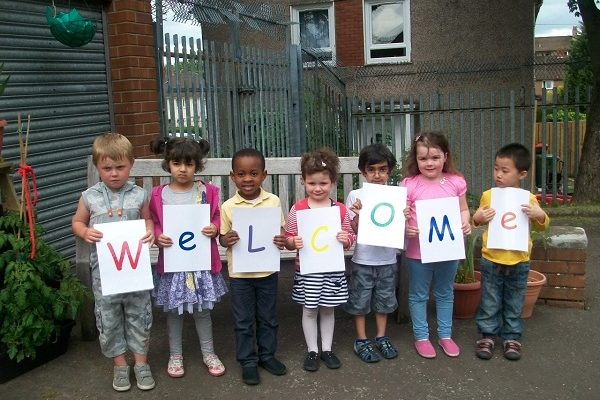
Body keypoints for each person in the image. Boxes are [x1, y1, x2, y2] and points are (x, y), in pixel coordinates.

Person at [71, 133, 156, 392]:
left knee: (138, 314)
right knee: (108, 318)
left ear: (131, 164)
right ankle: (120, 365)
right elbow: (77, 222)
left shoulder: (140, 195)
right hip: (104, 273)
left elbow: (148, 220)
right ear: (98, 167)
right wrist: (84, 232)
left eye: (120, 167)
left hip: (134, 271)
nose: (114, 174)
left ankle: (141, 363)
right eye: (107, 168)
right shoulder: (89, 197)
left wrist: (150, 231)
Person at [148, 137, 228, 379]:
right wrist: (158, 235)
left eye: (189, 164)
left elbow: (215, 218)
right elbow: (153, 222)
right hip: (174, 265)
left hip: (199, 264)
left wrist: (214, 228)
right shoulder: (158, 195)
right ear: (168, 165)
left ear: (197, 165)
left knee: (202, 311)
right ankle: (175, 355)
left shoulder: (208, 192)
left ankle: (209, 352)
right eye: (176, 163)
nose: (182, 169)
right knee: (174, 312)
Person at [473, 143, 549, 361]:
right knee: (489, 299)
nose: (498, 174)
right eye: (496, 168)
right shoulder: (489, 195)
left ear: (522, 174)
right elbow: (477, 221)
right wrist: (478, 218)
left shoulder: (528, 198)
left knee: (515, 301)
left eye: (505, 171)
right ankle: (487, 336)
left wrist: (539, 213)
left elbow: (543, 225)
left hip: (519, 260)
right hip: (491, 259)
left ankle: (512, 337)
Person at [219, 148, 288, 386]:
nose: (247, 179)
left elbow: (279, 231)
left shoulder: (273, 201)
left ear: (264, 175)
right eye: (241, 174)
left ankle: (267, 356)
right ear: (233, 177)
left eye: (254, 173)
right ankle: (248, 361)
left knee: (268, 317)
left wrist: (280, 238)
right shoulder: (228, 206)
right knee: (243, 320)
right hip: (240, 274)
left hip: (267, 271)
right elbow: (222, 236)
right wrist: (225, 239)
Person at [285, 148, 356, 372]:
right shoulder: (298, 209)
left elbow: (350, 238)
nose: (317, 188)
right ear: (304, 182)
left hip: (332, 269)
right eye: (312, 183)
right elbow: (288, 237)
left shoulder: (340, 209)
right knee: (309, 309)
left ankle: (327, 349)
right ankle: (312, 350)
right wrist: (292, 242)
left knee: (328, 309)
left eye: (323, 183)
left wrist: (346, 239)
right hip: (307, 270)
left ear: (332, 182)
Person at [403, 131, 471, 359]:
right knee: (419, 294)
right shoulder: (409, 185)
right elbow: (401, 216)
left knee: (445, 292)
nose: (429, 163)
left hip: (447, 249)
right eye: (423, 158)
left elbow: (462, 209)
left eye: (434, 157)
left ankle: (445, 335)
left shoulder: (455, 182)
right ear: (416, 160)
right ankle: (421, 337)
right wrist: (405, 227)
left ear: (445, 157)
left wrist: (465, 222)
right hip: (418, 251)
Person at [344, 144, 399, 363]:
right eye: (372, 170)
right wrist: (357, 214)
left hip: (387, 258)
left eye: (382, 169)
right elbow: (356, 231)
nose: (377, 175)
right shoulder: (356, 196)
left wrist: (403, 214)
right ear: (363, 171)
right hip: (363, 259)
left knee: (384, 299)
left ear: (389, 171)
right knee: (360, 299)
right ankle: (361, 339)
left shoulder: (395, 196)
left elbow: (399, 227)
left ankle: (381, 336)